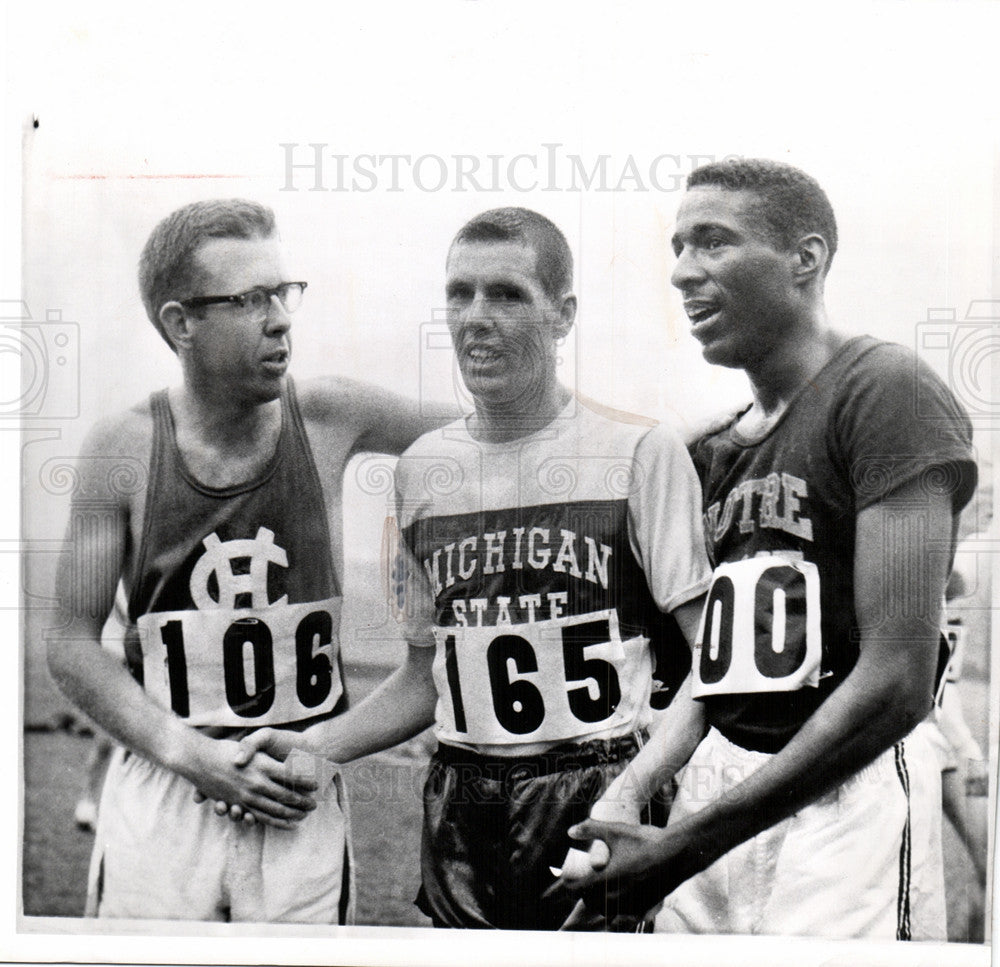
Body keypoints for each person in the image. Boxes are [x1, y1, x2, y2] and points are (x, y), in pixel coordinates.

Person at [235, 207, 712, 930]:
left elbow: (713, 666)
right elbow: (426, 676)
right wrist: (317, 745)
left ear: (563, 314)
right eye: (460, 294)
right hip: (461, 798)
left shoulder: (638, 453)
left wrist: (635, 788)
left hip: (598, 784)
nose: (476, 317)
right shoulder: (423, 470)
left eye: (508, 294)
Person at [553, 158, 977, 941]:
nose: (683, 271)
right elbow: (720, 675)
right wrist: (631, 791)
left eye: (713, 242)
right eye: (679, 247)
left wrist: (681, 847)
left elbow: (897, 682)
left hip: (843, 798)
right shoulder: (719, 445)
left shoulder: (888, 390)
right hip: (720, 783)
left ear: (805, 258)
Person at [46, 198, 450, 923]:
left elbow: (499, 427)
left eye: (283, 293)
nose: (282, 318)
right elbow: (71, 644)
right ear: (181, 323)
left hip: (299, 793)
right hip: (168, 795)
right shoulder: (121, 448)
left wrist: (663, 441)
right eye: (251, 299)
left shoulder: (330, 414)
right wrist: (189, 752)